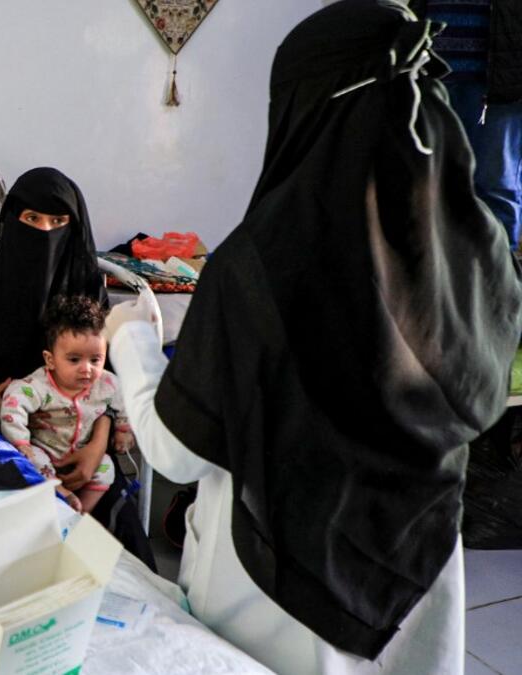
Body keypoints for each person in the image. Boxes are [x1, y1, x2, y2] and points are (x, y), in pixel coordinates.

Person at [104, 2, 522, 673]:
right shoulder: (475, 255)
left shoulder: (258, 267)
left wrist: (133, 340)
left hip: (275, 594)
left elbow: (176, 454)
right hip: (414, 582)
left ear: (303, 111)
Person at [0, 167, 110, 487]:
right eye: (32, 219)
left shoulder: (88, 290)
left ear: (73, 227)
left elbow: (108, 380)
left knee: (110, 517)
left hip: (76, 437)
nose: (45, 233)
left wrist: (95, 450)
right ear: (12, 221)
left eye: (58, 222)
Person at [0, 295, 133, 514]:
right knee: (32, 461)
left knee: (107, 468)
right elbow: (13, 403)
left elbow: (124, 402)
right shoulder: (39, 386)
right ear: (50, 360)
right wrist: (21, 441)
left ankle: (81, 514)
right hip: (45, 450)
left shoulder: (107, 384)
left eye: (95, 360)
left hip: (81, 451)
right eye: (74, 360)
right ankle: (62, 491)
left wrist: (123, 431)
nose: (86, 369)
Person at [410, 0, 522, 247]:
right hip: (433, 82)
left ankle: (500, 275)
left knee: (496, 184)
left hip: (500, 85)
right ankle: (452, 272)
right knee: (437, 181)